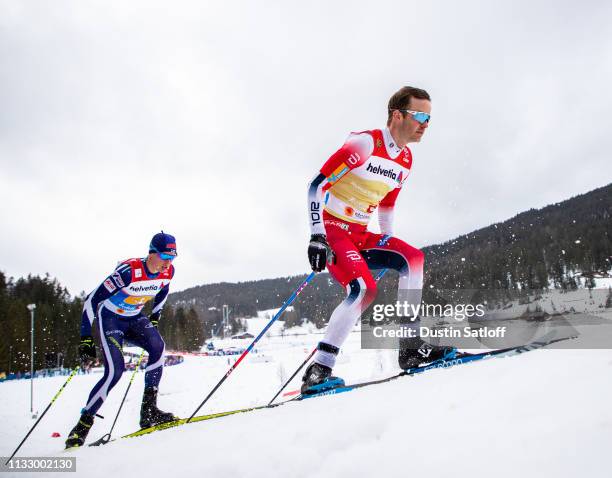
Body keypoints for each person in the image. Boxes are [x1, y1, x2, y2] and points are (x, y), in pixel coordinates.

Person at [303, 86, 456, 394]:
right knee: (363, 290)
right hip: (333, 229)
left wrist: (388, 242)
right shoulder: (365, 144)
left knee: (412, 259)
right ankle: (319, 370)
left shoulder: (406, 159)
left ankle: (411, 346)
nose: (426, 123)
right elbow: (316, 186)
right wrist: (317, 236)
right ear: (397, 115)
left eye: (430, 117)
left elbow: (387, 205)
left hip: (360, 233)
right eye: (420, 115)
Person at [65, 232, 178, 448]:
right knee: (115, 372)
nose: (167, 263)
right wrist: (86, 338)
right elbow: (91, 300)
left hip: (134, 318)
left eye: (172, 258)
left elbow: (163, 290)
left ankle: (149, 412)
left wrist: (155, 316)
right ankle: (82, 426)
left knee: (158, 347)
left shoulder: (169, 271)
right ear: (152, 253)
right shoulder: (129, 272)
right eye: (164, 257)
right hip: (111, 321)